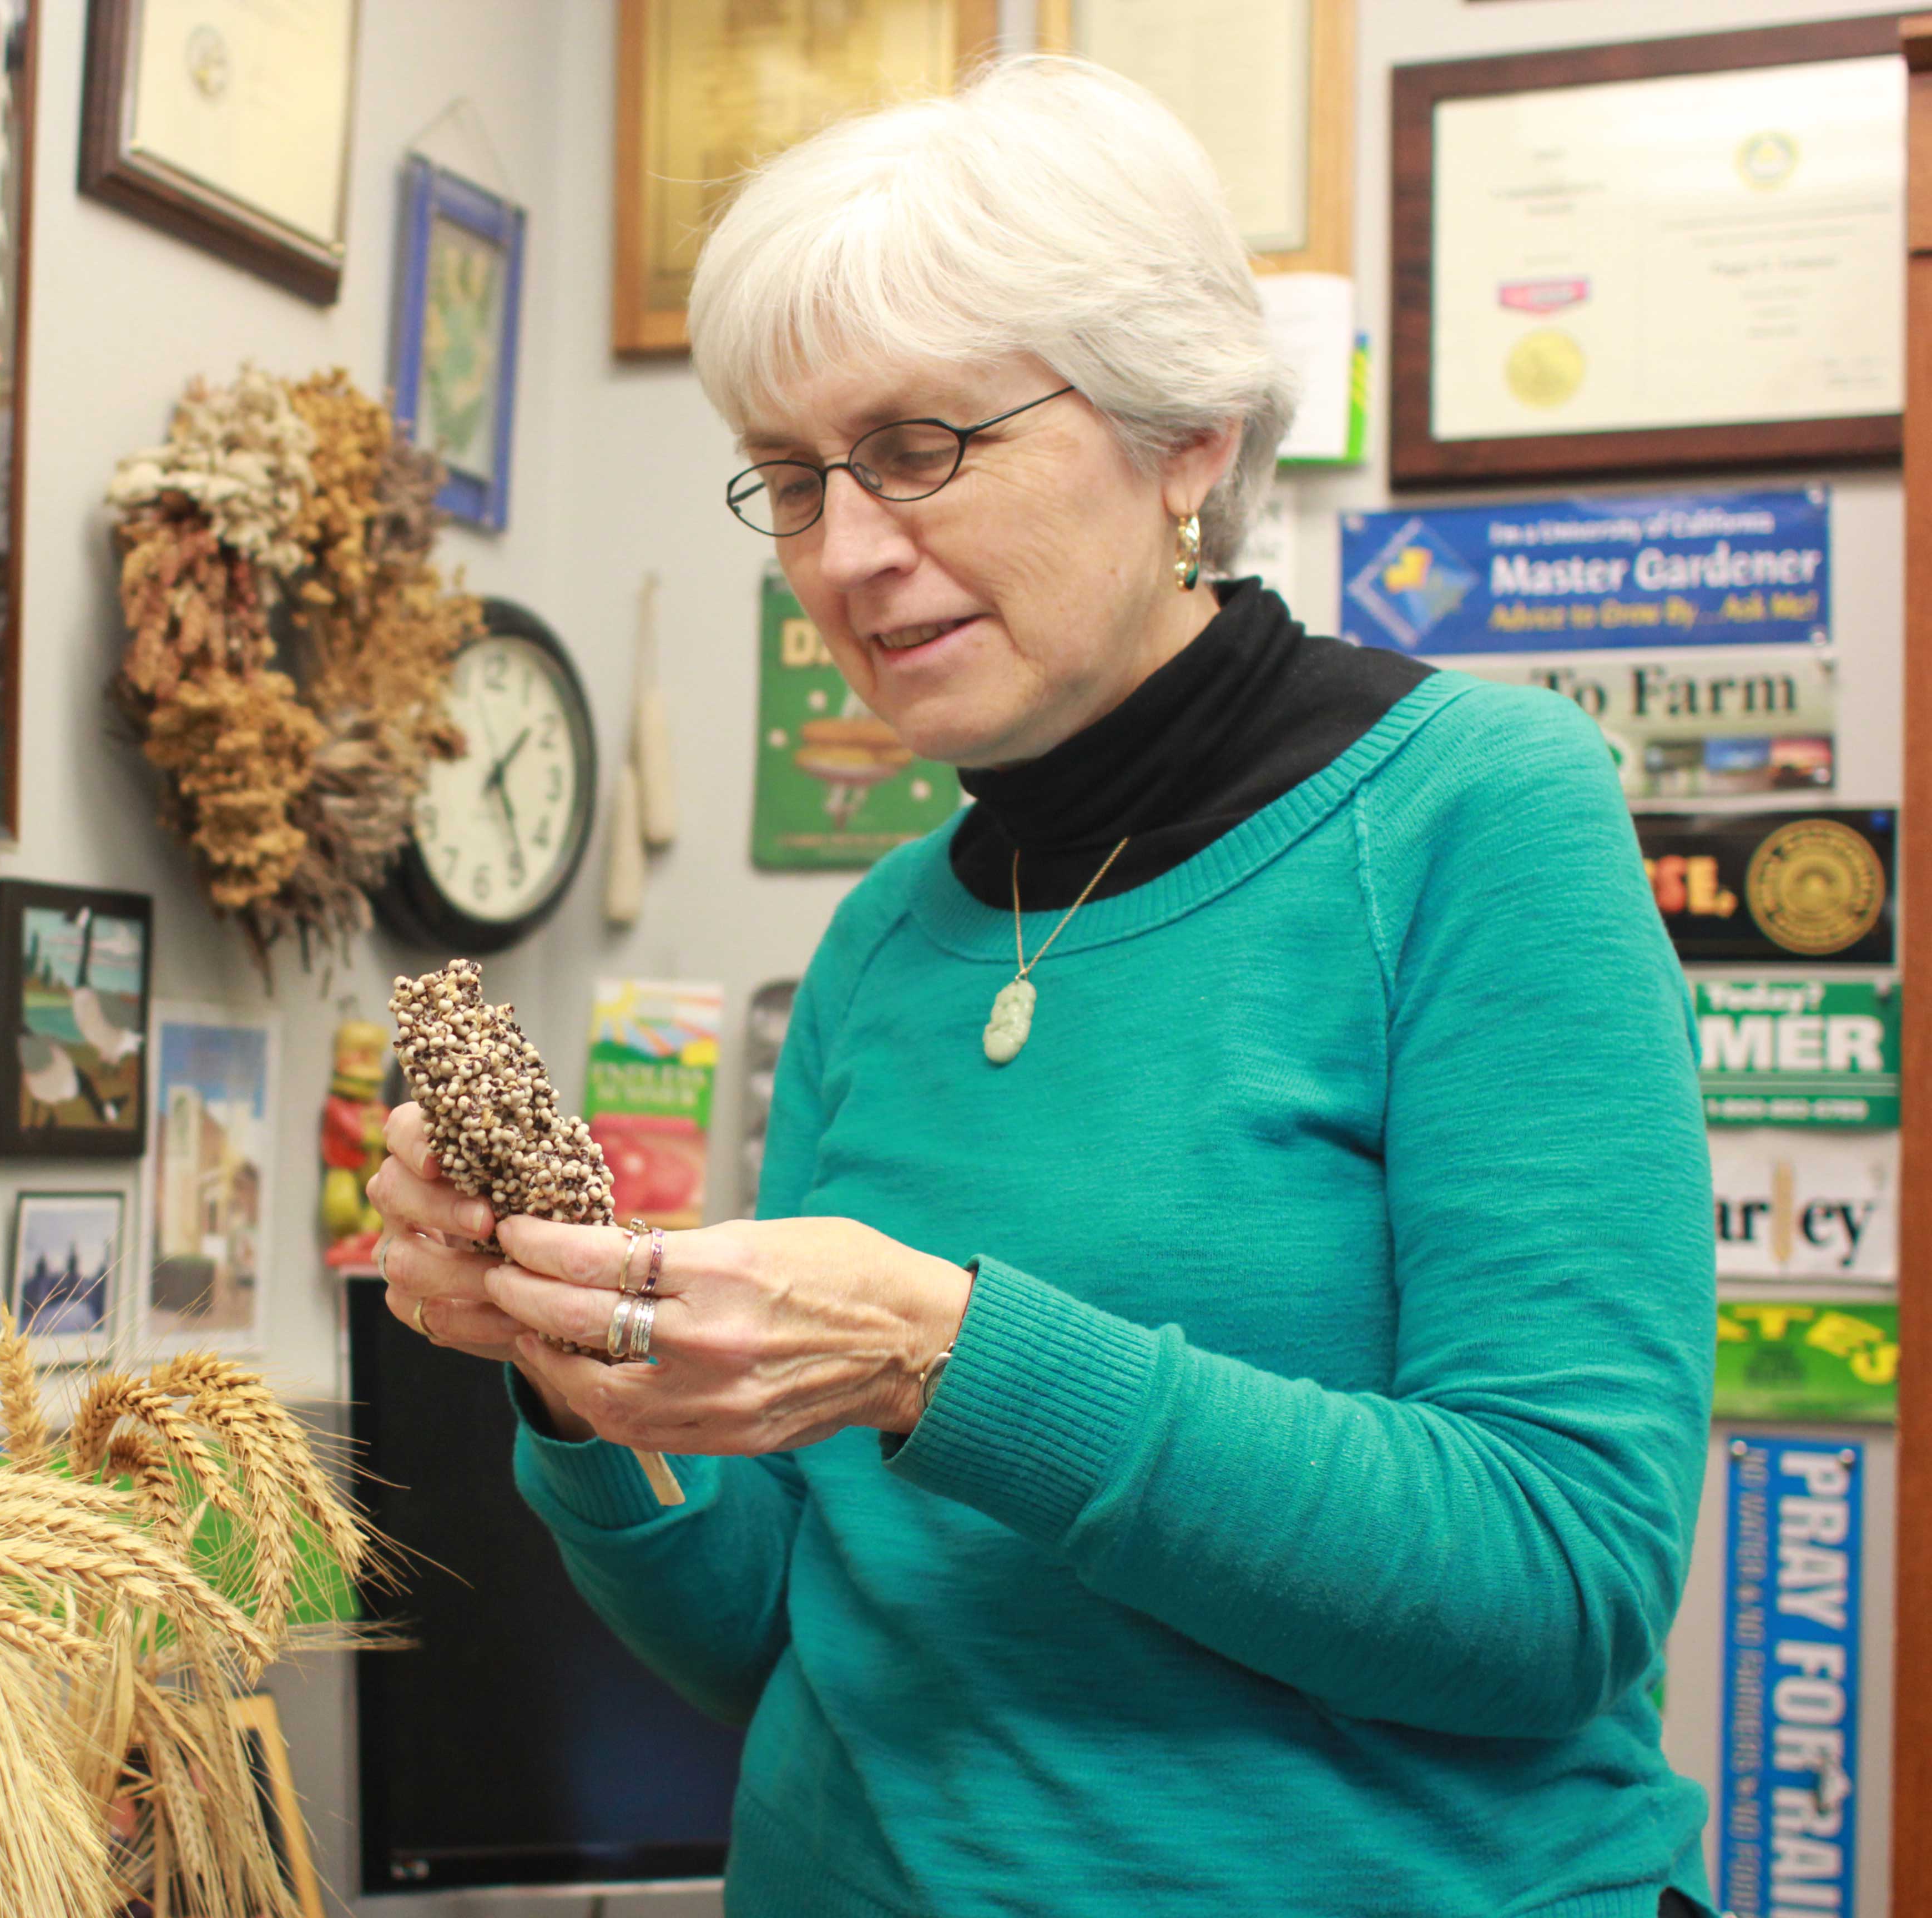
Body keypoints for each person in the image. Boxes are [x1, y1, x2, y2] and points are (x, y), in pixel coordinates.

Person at [367, 55, 1716, 1918]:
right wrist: (578, 1373)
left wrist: (940, 1349)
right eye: (789, 478)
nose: (843, 554)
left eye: (921, 448)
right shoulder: (879, 942)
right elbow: (785, 1640)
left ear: (1189, 434)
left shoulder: (1479, 816)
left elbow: (1558, 1584)